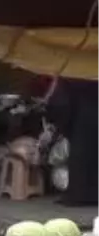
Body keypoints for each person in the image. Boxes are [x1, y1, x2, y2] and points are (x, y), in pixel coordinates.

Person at [47, 78, 99, 206]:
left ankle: (80, 195)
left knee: (81, 158)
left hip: (81, 119)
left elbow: (60, 103)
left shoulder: (75, 70)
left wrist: (62, 126)